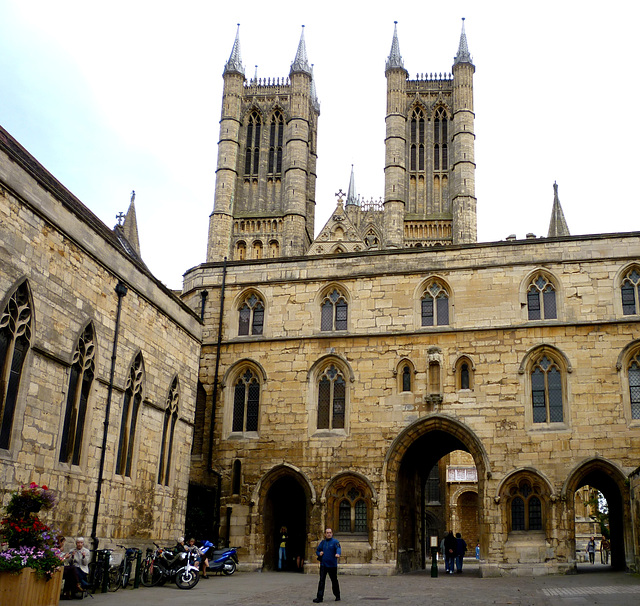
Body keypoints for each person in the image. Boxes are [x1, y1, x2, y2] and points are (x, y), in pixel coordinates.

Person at [313, 528, 341, 603]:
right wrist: (319, 553)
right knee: (321, 581)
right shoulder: (323, 542)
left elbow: (338, 548)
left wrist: (338, 554)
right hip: (323, 565)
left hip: (332, 565)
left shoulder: (335, 542)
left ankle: (337, 595)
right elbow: (317, 550)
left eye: (330, 532)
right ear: (325, 534)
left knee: (334, 581)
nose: (329, 534)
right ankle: (319, 597)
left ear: (332, 534)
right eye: (327, 533)